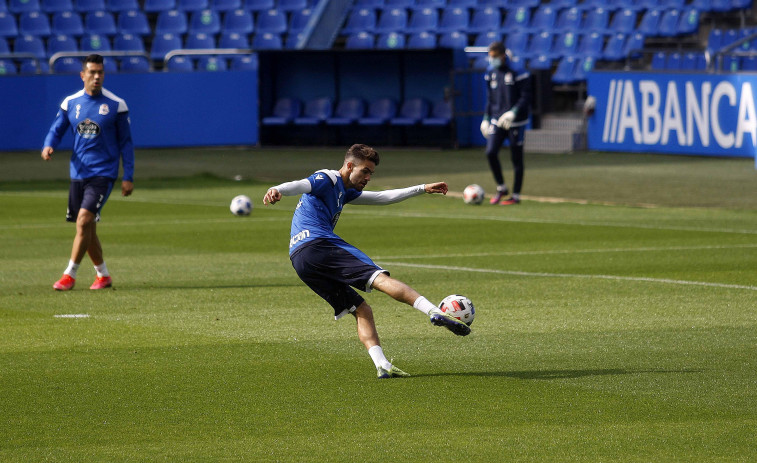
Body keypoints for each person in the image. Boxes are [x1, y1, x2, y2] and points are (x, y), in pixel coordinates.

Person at [263, 144, 471, 379]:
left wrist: (422, 188)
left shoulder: (344, 190)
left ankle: (382, 365)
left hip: (300, 259)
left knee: (362, 310)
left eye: (371, 173)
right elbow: (302, 184)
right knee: (379, 279)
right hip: (320, 244)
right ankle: (434, 311)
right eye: (365, 171)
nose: (368, 177)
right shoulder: (328, 178)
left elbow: (382, 197)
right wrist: (277, 189)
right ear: (349, 165)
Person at [42, 54, 134, 291]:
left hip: (104, 173)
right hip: (78, 172)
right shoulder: (71, 102)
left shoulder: (116, 105)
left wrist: (128, 176)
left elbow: (126, 143)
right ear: (82, 75)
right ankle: (103, 275)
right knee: (87, 226)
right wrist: (48, 144)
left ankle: (69, 275)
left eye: (100, 72)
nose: (96, 77)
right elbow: (57, 129)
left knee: (83, 220)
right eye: (92, 72)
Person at [480, 41, 532, 205]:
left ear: (503, 55)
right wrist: (486, 119)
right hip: (497, 119)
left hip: (515, 122)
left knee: (516, 158)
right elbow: (490, 98)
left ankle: (515, 195)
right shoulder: (491, 72)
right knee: (490, 152)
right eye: (490, 57)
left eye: (494, 57)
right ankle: (501, 187)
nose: (492, 60)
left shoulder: (518, 71)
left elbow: (526, 96)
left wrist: (513, 113)